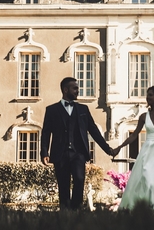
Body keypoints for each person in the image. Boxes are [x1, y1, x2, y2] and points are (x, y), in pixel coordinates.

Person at [41, 77, 115, 210]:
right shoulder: (51, 110)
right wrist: (44, 152)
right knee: (63, 185)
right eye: (74, 88)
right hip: (60, 153)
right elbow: (46, 132)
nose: (77, 91)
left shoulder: (83, 109)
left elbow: (94, 131)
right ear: (65, 90)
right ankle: (65, 214)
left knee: (79, 180)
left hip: (79, 153)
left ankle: (76, 211)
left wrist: (108, 149)